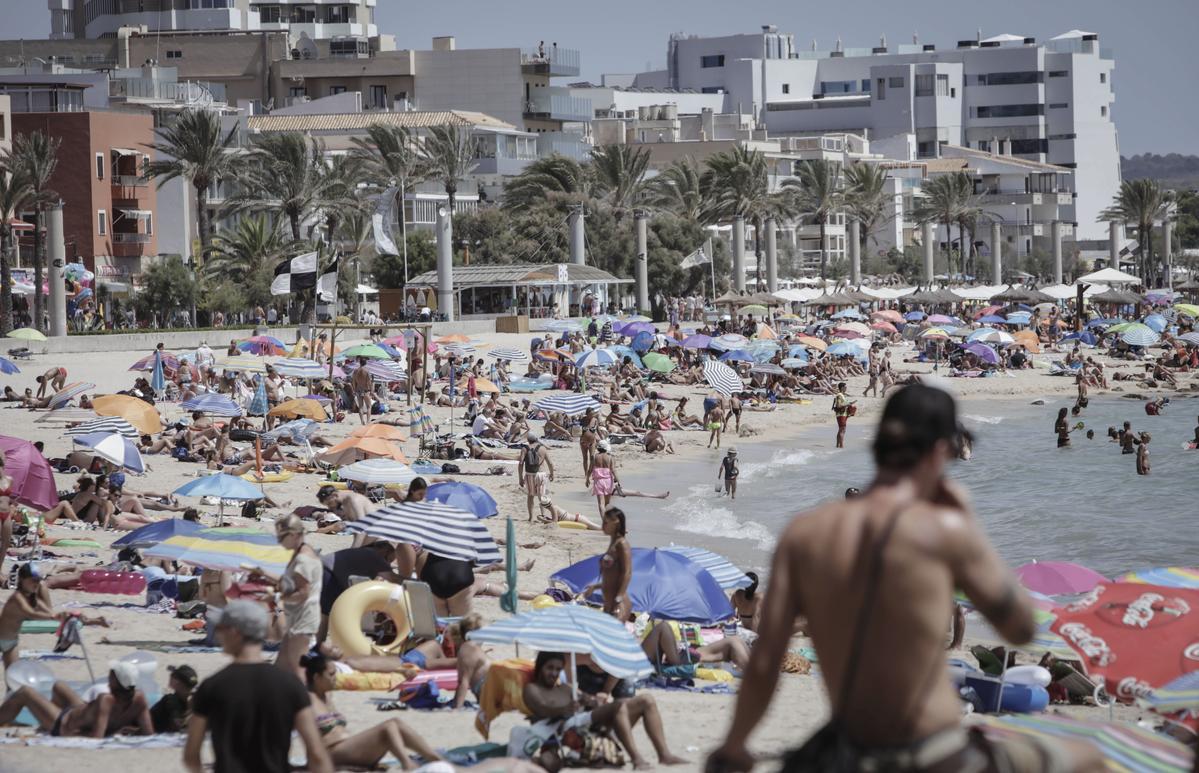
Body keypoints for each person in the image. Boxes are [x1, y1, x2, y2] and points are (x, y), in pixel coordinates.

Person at [706, 384, 1103, 773]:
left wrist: (734, 745)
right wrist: (968, 525)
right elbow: (1018, 628)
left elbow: (765, 662)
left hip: (845, 751)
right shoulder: (945, 529)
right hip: (934, 752)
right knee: (1087, 760)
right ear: (942, 450)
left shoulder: (805, 532)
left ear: (878, 442)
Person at [184, 600, 333, 773]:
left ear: (234, 632)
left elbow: (191, 755)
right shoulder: (290, 685)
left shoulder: (213, 686)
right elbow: (316, 753)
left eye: (221, 629)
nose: (218, 634)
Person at [522, 651, 686, 770]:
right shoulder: (532, 689)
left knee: (646, 699)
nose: (554, 673)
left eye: (558, 669)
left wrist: (591, 700)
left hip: (588, 724)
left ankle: (664, 755)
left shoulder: (564, 688)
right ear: (540, 667)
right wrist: (564, 708)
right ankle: (637, 759)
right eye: (549, 668)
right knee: (618, 707)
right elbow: (542, 709)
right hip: (564, 729)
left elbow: (587, 700)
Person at [301, 649, 442, 770]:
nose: (336, 678)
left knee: (396, 723)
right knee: (389, 726)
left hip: (349, 749)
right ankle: (407, 764)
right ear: (317, 677)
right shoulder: (306, 700)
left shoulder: (327, 697)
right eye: (331, 674)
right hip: (331, 754)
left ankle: (434, 757)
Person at [0, 662, 151, 737]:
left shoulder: (106, 700)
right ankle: (44, 724)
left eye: (111, 675)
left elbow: (96, 737)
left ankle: (48, 725)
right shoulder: (140, 699)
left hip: (64, 724)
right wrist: (125, 729)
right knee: (59, 686)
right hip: (79, 710)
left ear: (114, 680)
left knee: (25, 692)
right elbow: (148, 734)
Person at [318, 542, 400, 642]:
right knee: (328, 615)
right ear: (385, 551)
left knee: (325, 616)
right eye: (387, 560)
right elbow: (392, 578)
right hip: (329, 575)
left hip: (323, 569)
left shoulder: (363, 552)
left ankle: (317, 647)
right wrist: (413, 580)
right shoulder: (375, 556)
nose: (387, 563)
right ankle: (320, 647)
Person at [582, 507, 632, 622]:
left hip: (618, 604)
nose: (603, 525)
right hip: (609, 603)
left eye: (606, 522)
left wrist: (618, 598)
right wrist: (595, 587)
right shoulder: (612, 543)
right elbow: (611, 577)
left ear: (616, 523)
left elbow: (627, 572)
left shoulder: (622, 544)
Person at [151, 664, 198, 733]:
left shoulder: (171, 700)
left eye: (172, 676)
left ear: (176, 682)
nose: (170, 677)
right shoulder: (195, 699)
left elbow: (179, 727)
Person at [518, 433, 554, 521]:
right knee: (541, 496)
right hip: (541, 474)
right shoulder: (542, 448)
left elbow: (521, 463)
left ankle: (531, 517)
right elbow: (550, 463)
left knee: (530, 496)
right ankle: (543, 515)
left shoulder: (524, 448)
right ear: (536, 439)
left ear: (528, 440)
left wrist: (520, 477)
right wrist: (552, 473)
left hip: (529, 474)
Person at [587, 439, 619, 521]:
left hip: (598, 482)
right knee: (607, 503)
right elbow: (613, 470)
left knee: (601, 504)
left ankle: (605, 522)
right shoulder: (610, 457)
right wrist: (618, 480)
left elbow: (590, 469)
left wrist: (587, 479)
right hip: (608, 481)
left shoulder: (594, 457)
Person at [832, 381, 854, 449]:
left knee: (841, 429)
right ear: (842, 388)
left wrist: (849, 404)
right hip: (841, 414)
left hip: (843, 414)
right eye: (845, 387)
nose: (846, 388)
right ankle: (841, 446)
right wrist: (848, 404)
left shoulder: (841, 395)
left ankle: (838, 445)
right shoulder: (839, 395)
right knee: (842, 430)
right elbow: (838, 405)